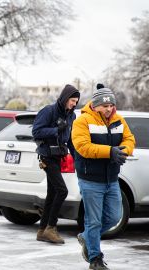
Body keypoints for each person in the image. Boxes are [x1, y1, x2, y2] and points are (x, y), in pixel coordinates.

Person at [72, 84, 135, 270]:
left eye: (111, 106)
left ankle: (86, 237)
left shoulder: (118, 120)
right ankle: (95, 259)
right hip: (90, 179)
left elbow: (129, 138)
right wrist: (110, 152)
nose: (109, 109)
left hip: (112, 178)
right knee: (94, 221)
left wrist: (124, 150)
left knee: (114, 216)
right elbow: (82, 146)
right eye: (105, 106)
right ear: (95, 105)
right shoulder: (82, 121)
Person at [32, 84, 80, 244]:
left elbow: (71, 139)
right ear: (65, 98)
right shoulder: (49, 111)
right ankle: (51, 228)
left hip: (58, 156)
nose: (74, 104)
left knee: (53, 193)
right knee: (62, 191)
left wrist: (76, 157)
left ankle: (42, 230)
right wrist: (56, 130)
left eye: (76, 101)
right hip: (47, 156)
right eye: (72, 100)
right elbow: (36, 131)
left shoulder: (71, 116)